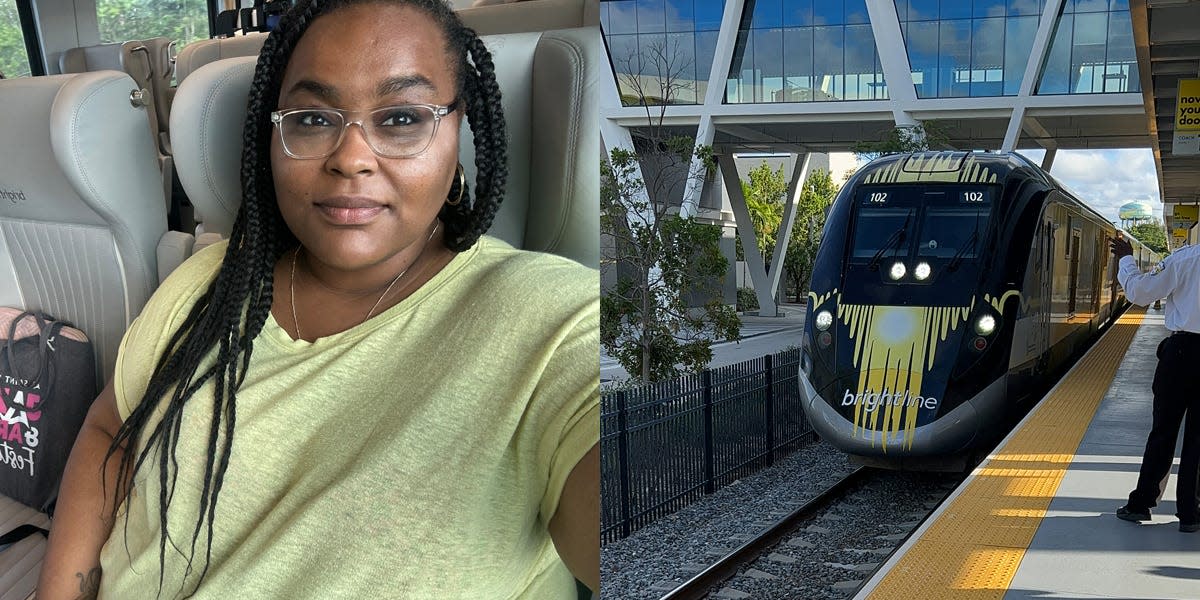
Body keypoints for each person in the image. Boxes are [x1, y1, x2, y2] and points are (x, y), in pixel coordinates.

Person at [37, 0, 599, 597]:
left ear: (459, 132)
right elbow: (111, 427)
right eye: (311, 118)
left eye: (402, 118)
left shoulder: (555, 322)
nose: (351, 158)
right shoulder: (210, 282)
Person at [1111, 234, 1200, 533]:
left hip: (1182, 354)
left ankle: (1141, 504)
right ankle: (1190, 513)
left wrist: (1125, 258)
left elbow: (1139, 292)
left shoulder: (1184, 259)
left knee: (1163, 430)